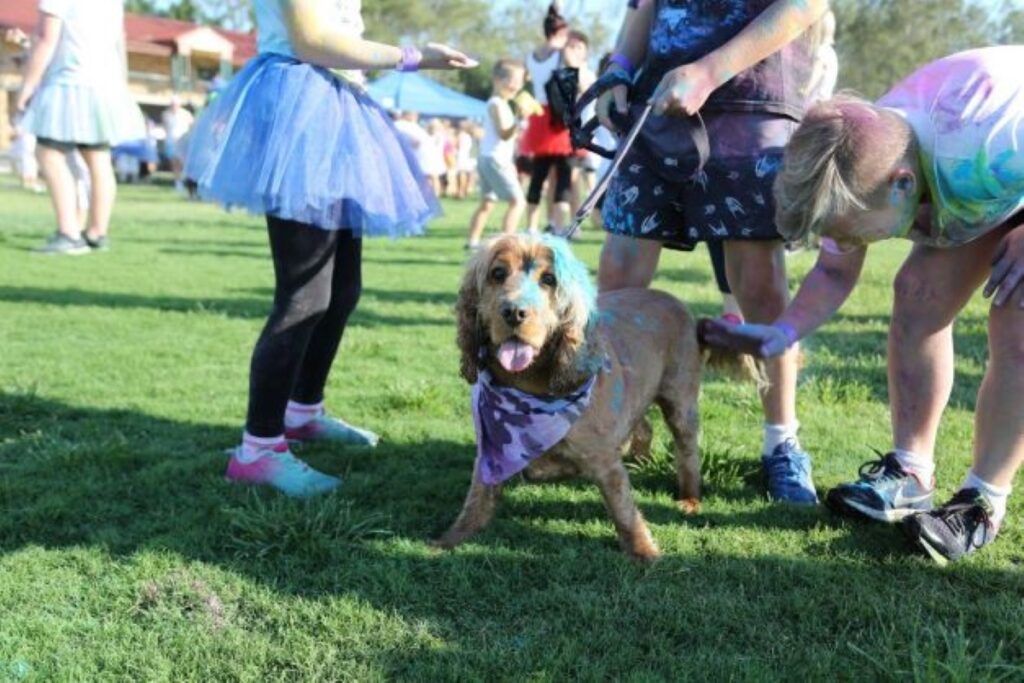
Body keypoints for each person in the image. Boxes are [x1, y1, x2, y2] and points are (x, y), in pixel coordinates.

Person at [727, 46, 1024, 563]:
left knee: (1019, 313)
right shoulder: (854, 158)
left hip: (999, 159)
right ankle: (911, 473)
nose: (843, 241)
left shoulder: (989, 135)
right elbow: (833, 271)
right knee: (917, 293)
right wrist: (781, 333)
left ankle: (982, 502)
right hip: (985, 179)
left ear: (902, 184)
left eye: (847, 229)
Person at [184, 0, 475, 497]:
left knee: (342, 290)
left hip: (337, 106)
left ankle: (302, 411)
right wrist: (415, 56)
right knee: (304, 296)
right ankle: (258, 450)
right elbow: (313, 40)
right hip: (302, 107)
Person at [596, 0, 828, 503]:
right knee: (618, 274)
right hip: (654, 102)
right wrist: (617, 71)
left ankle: (781, 445)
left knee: (760, 283)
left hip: (753, 102)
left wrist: (710, 70)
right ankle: (610, 424)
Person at [15, 0, 143, 254]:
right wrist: (121, 85)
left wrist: (27, 87)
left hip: (69, 82)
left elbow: (46, 40)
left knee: (48, 153)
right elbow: (120, 41)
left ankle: (68, 233)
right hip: (105, 86)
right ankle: (97, 232)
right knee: (98, 158)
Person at [521, 3, 574, 234]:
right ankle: (559, 227)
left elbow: (524, 82)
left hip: (538, 116)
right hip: (558, 118)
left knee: (538, 175)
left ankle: (532, 227)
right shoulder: (562, 53)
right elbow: (576, 78)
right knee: (563, 176)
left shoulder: (531, 55)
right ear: (562, 32)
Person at [465, 59, 528, 250]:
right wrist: (519, 120)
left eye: (520, 81)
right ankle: (507, 244)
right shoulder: (496, 104)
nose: (517, 85)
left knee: (487, 203)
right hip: (494, 159)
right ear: (498, 80)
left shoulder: (501, 104)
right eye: (513, 80)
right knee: (518, 202)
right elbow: (503, 133)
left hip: (488, 158)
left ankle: (472, 242)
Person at [161, 96, 195, 195]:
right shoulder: (166, 114)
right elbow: (165, 127)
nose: (173, 106)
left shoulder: (186, 114)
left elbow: (191, 126)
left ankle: (186, 181)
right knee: (174, 162)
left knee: (184, 162)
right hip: (171, 141)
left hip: (183, 141)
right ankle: (178, 182)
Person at [455, 119, 476, 200]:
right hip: (469, 156)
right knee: (468, 174)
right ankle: (465, 190)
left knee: (461, 173)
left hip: (462, 155)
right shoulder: (470, 136)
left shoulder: (461, 135)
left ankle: (460, 192)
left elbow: (457, 145)